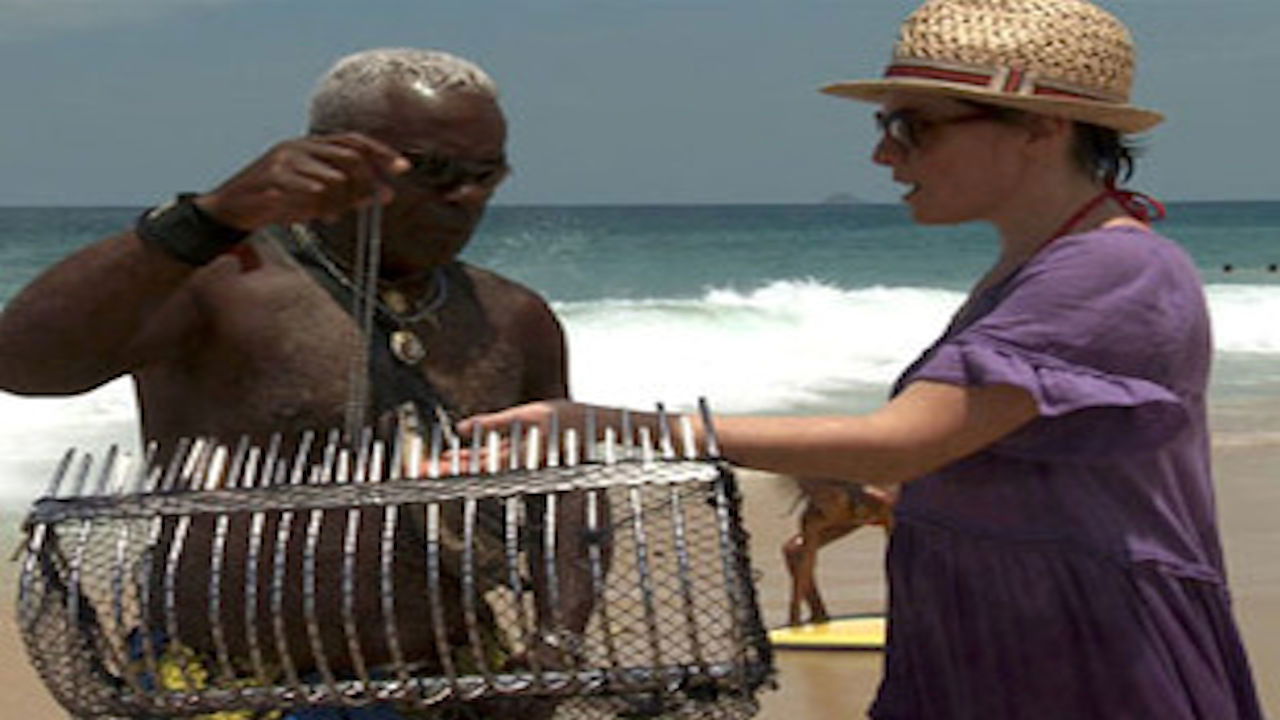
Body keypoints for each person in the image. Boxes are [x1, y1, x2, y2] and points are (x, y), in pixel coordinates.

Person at [461, 1, 1264, 717]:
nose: (887, 156)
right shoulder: (1045, 262)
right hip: (992, 634)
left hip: (1080, 653)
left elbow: (904, 440)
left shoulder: (1107, 267)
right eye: (882, 127)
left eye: (914, 126)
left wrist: (604, 425)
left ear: (1040, 126)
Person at [0, 48, 592, 717]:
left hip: (446, 683)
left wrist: (556, 647)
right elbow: (25, 365)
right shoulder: (224, 287)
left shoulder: (514, 317)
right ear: (331, 160)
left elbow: (566, 497)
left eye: (487, 174)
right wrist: (206, 220)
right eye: (433, 172)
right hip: (230, 686)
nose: (466, 197)